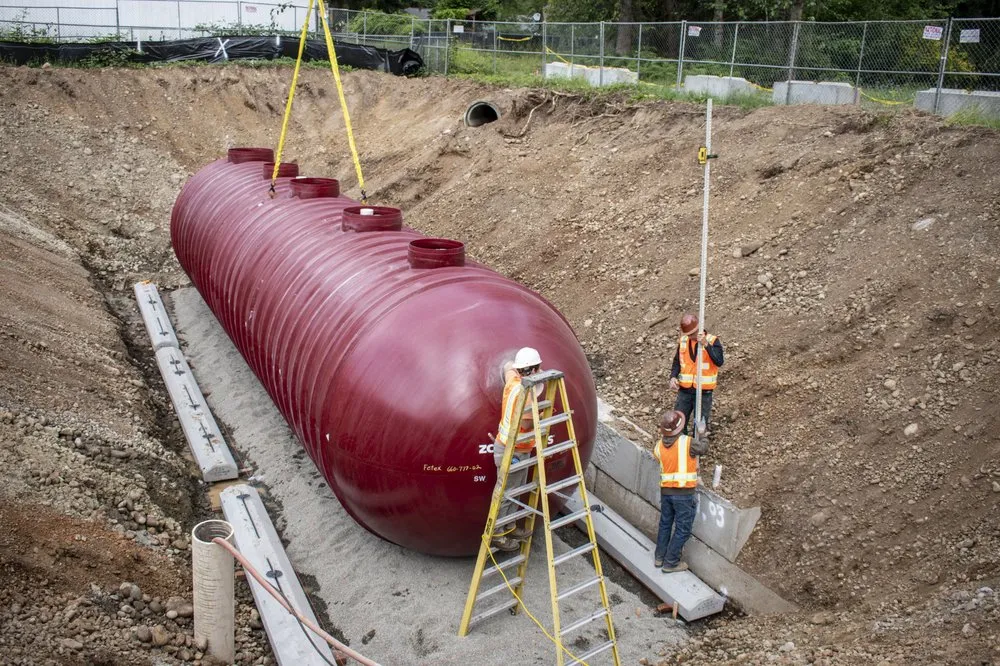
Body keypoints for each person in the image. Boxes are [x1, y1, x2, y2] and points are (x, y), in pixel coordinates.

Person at [490, 347, 543, 552]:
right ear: (535, 368)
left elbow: (508, 367)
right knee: (508, 492)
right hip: (514, 451)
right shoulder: (528, 397)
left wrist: (525, 368)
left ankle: (510, 526)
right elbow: (529, 425)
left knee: (516, 490)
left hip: (511, 448)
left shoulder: (513, 382)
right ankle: (498, 534)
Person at [652, 410, 703, 573]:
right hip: (684, 493)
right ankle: (671, 562)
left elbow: (664, 460)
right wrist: (702, 434)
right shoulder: (688, 442)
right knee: (683, 528)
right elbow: (703, 448)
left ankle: (659, 557)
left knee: (665, 523)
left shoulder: (658, 446)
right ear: (679, 427)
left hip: (666, 492)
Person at [669, 314, 724, 436]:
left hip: (704, 393)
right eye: (689, 335)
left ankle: (697, 449)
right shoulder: (683, 341)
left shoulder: (712, 341)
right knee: (678, 422)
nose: (691, 337)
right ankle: (681, 448)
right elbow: (677, 362)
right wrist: (673, 377)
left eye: (693, 334)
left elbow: (719, 361)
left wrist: (706, 345)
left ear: (700, 328)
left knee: (700, 426)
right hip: (685, 391)